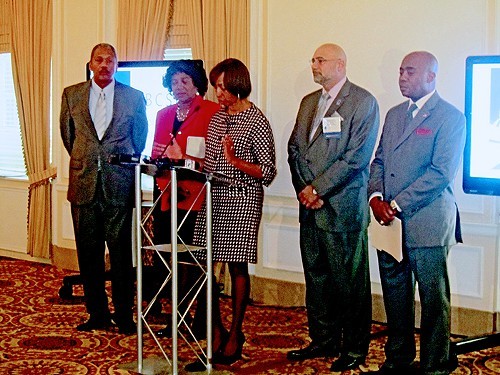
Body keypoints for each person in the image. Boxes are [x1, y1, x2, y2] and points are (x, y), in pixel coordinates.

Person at [367, 51, 466, 375]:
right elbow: (379, 160)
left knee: (433, 299)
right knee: (395, 295)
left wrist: (395, 205)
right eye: (400, 71)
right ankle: (398, 358)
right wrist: (376, 198)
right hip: (389, 223)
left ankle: (435, 363)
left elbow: (440, 173)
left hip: (428, 222)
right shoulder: (394, 114)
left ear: (431, 76)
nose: (402, 78)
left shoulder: (451, 117)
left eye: (410, 72)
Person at [287, 43, 379, 372]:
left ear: (339, 65)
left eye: (320, 60)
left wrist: (318, 188)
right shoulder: (309, 102)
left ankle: (354, 350)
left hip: (341, 208)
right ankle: (323, 339)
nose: (314, 64)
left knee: (349, 283)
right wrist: (304, 190)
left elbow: (356, 157)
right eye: (312, 59)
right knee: (317, 279)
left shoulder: (363, 101)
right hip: (310, 207)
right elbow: (294, 149)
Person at [188, 58, 277, 369]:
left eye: (223, 87)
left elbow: (268, 172)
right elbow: (209, 161)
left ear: (239, 86)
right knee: (204, 267)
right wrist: (189, 161)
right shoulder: (216, 118)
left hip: (242, 198)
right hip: (213, 196)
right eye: (216, 87)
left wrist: (236, 161)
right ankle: (215, 332)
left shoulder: (257, 121)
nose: (218, 93)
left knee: (238, 268)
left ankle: (235, 334)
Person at [60, 43, 148, 335]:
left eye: (110, 61)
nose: (104, 65)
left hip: (119, 185)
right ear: (90, 63)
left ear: (117, 65)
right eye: (99, 60)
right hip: (83, 184)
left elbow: (139, 139)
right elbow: (69, 137)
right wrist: (90, 159)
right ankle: (96, 312)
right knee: (88, 254)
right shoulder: (71, 94)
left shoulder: (133, 97)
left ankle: (124, 315)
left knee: (122, 254)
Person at [148, 60, 219, 336]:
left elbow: (214, 160)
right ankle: (175, 318)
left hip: (198, 198)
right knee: (169, 261)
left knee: (196, 261)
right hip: (167, 195)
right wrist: (159, 161)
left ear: (197, 83)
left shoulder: (212, 112)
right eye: (174, 81)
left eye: (184, 81)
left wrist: (184, 158)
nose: (178, 87)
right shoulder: (163, 114)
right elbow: (157, 154)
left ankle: (202, 321)